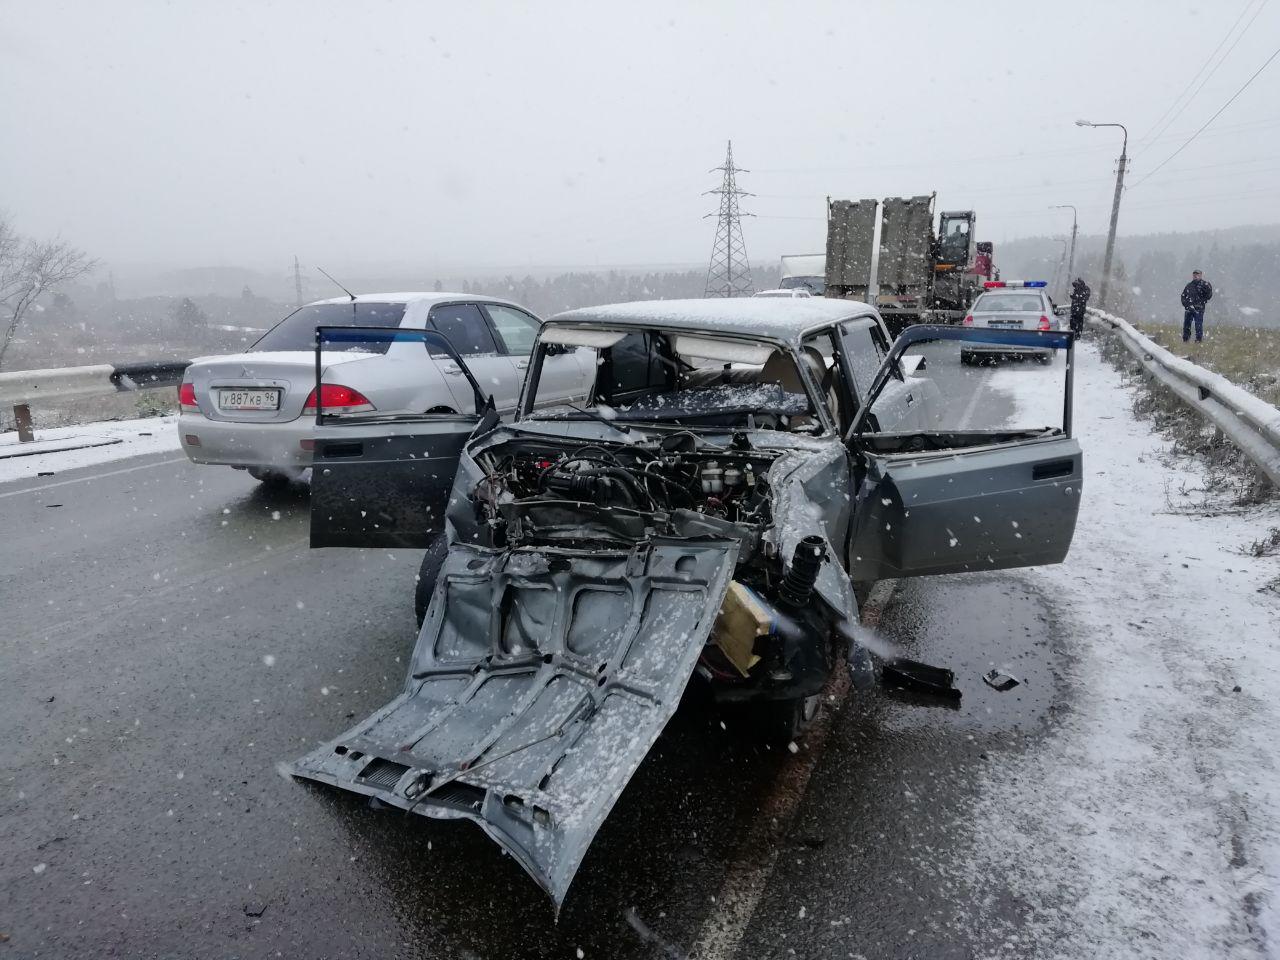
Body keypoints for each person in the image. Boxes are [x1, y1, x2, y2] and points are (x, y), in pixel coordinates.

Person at [1180, 269, 1213, 343]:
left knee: (1198, 325)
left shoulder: (1205, 285)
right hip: (1189, 309)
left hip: (1199, 308)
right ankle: (1186, 340)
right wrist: (1186, 305)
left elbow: (1209, 296)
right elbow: (1183, 296)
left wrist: (1208, 289)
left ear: (1201, 275)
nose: (1195, 276)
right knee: (1186, 325)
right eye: (1194, 275)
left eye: (1197, 275)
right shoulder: (1189, 285)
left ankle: (1198, 340)